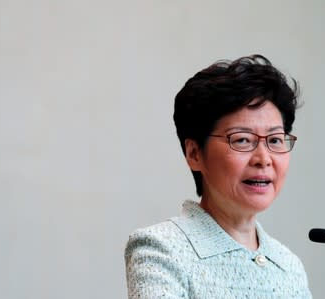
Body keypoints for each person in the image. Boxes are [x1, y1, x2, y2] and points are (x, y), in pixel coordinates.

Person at [125, 54, 312, 298]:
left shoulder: (289, 266)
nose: (264, 158)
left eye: (275, 140)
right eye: (242, 140)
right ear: (194, 154)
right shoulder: (160, 249)